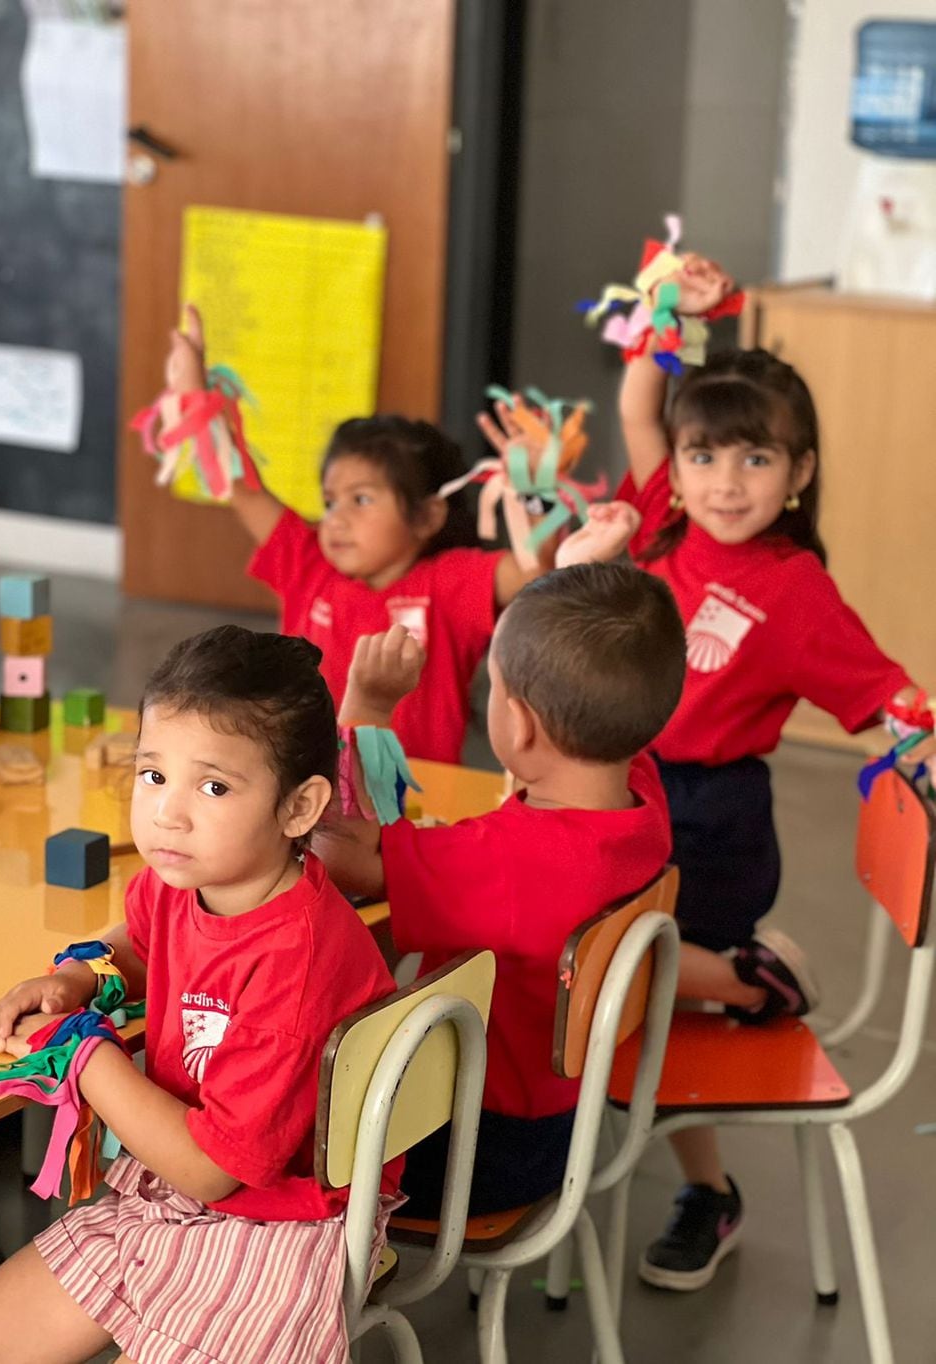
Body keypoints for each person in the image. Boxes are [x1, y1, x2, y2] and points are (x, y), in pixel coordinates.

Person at [0, 626, 401, 1364]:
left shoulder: (293, 966)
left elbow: (212, 1168)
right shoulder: (197, 876)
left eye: (212, 786)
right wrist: (76, 977)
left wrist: (82, 1049)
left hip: (274, 1234)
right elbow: (138, 941)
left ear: (300, 808)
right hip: (160, 1201)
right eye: (152, 775)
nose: (168, 813)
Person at [613, 251, 936, 1291]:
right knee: (603, 972)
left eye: (756, 460)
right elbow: (637, 399)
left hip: (714, 816)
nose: (724, 481)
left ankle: (719, 1141)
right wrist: (662, 306)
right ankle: (733, 1006)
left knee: (635, 980)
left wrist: (920, 738)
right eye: (706, 454)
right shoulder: (666, 512)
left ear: (799, 472)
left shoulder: (796, 589)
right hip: (631, 785)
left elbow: (889, 694)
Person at [316, 563, 686, 1215]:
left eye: (491, 685)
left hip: (467, 1150)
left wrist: (367, 706)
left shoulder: (503, 862)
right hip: (562, 1123)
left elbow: (342, 856)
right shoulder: (642, 799)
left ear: (517, 726)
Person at [163, 307, 636, 764]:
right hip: (309, 783)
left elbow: (537, 572)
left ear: (427, 517)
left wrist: (533, 489)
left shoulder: (450, 582)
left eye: (362, 499)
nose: (337, 519)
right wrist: (194, 396)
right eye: (330, 501)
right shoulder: (308, 564)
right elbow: (242, 490)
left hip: (417, 800)